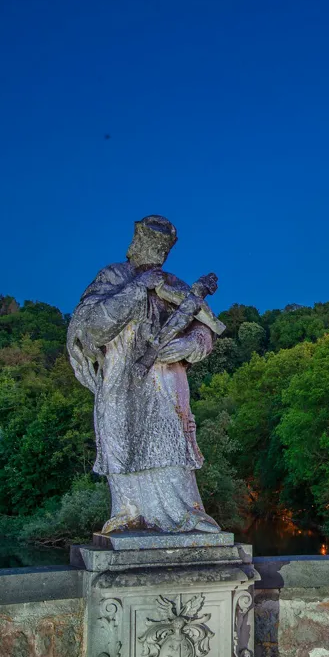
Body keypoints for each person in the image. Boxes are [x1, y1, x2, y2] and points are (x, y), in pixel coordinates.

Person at [67, 215, 222, 533]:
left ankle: (183, 514)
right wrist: (138, 287)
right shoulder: (112, 275)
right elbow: (91, 325)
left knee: (170, 442)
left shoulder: (176, 285)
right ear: (135, 244)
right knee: (122, 439)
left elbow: (206, 329)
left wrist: (190, 344)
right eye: (149, 245)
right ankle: (128, 512)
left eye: (162, 250)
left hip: (165, 381)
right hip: (121, 377)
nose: (156, 255)